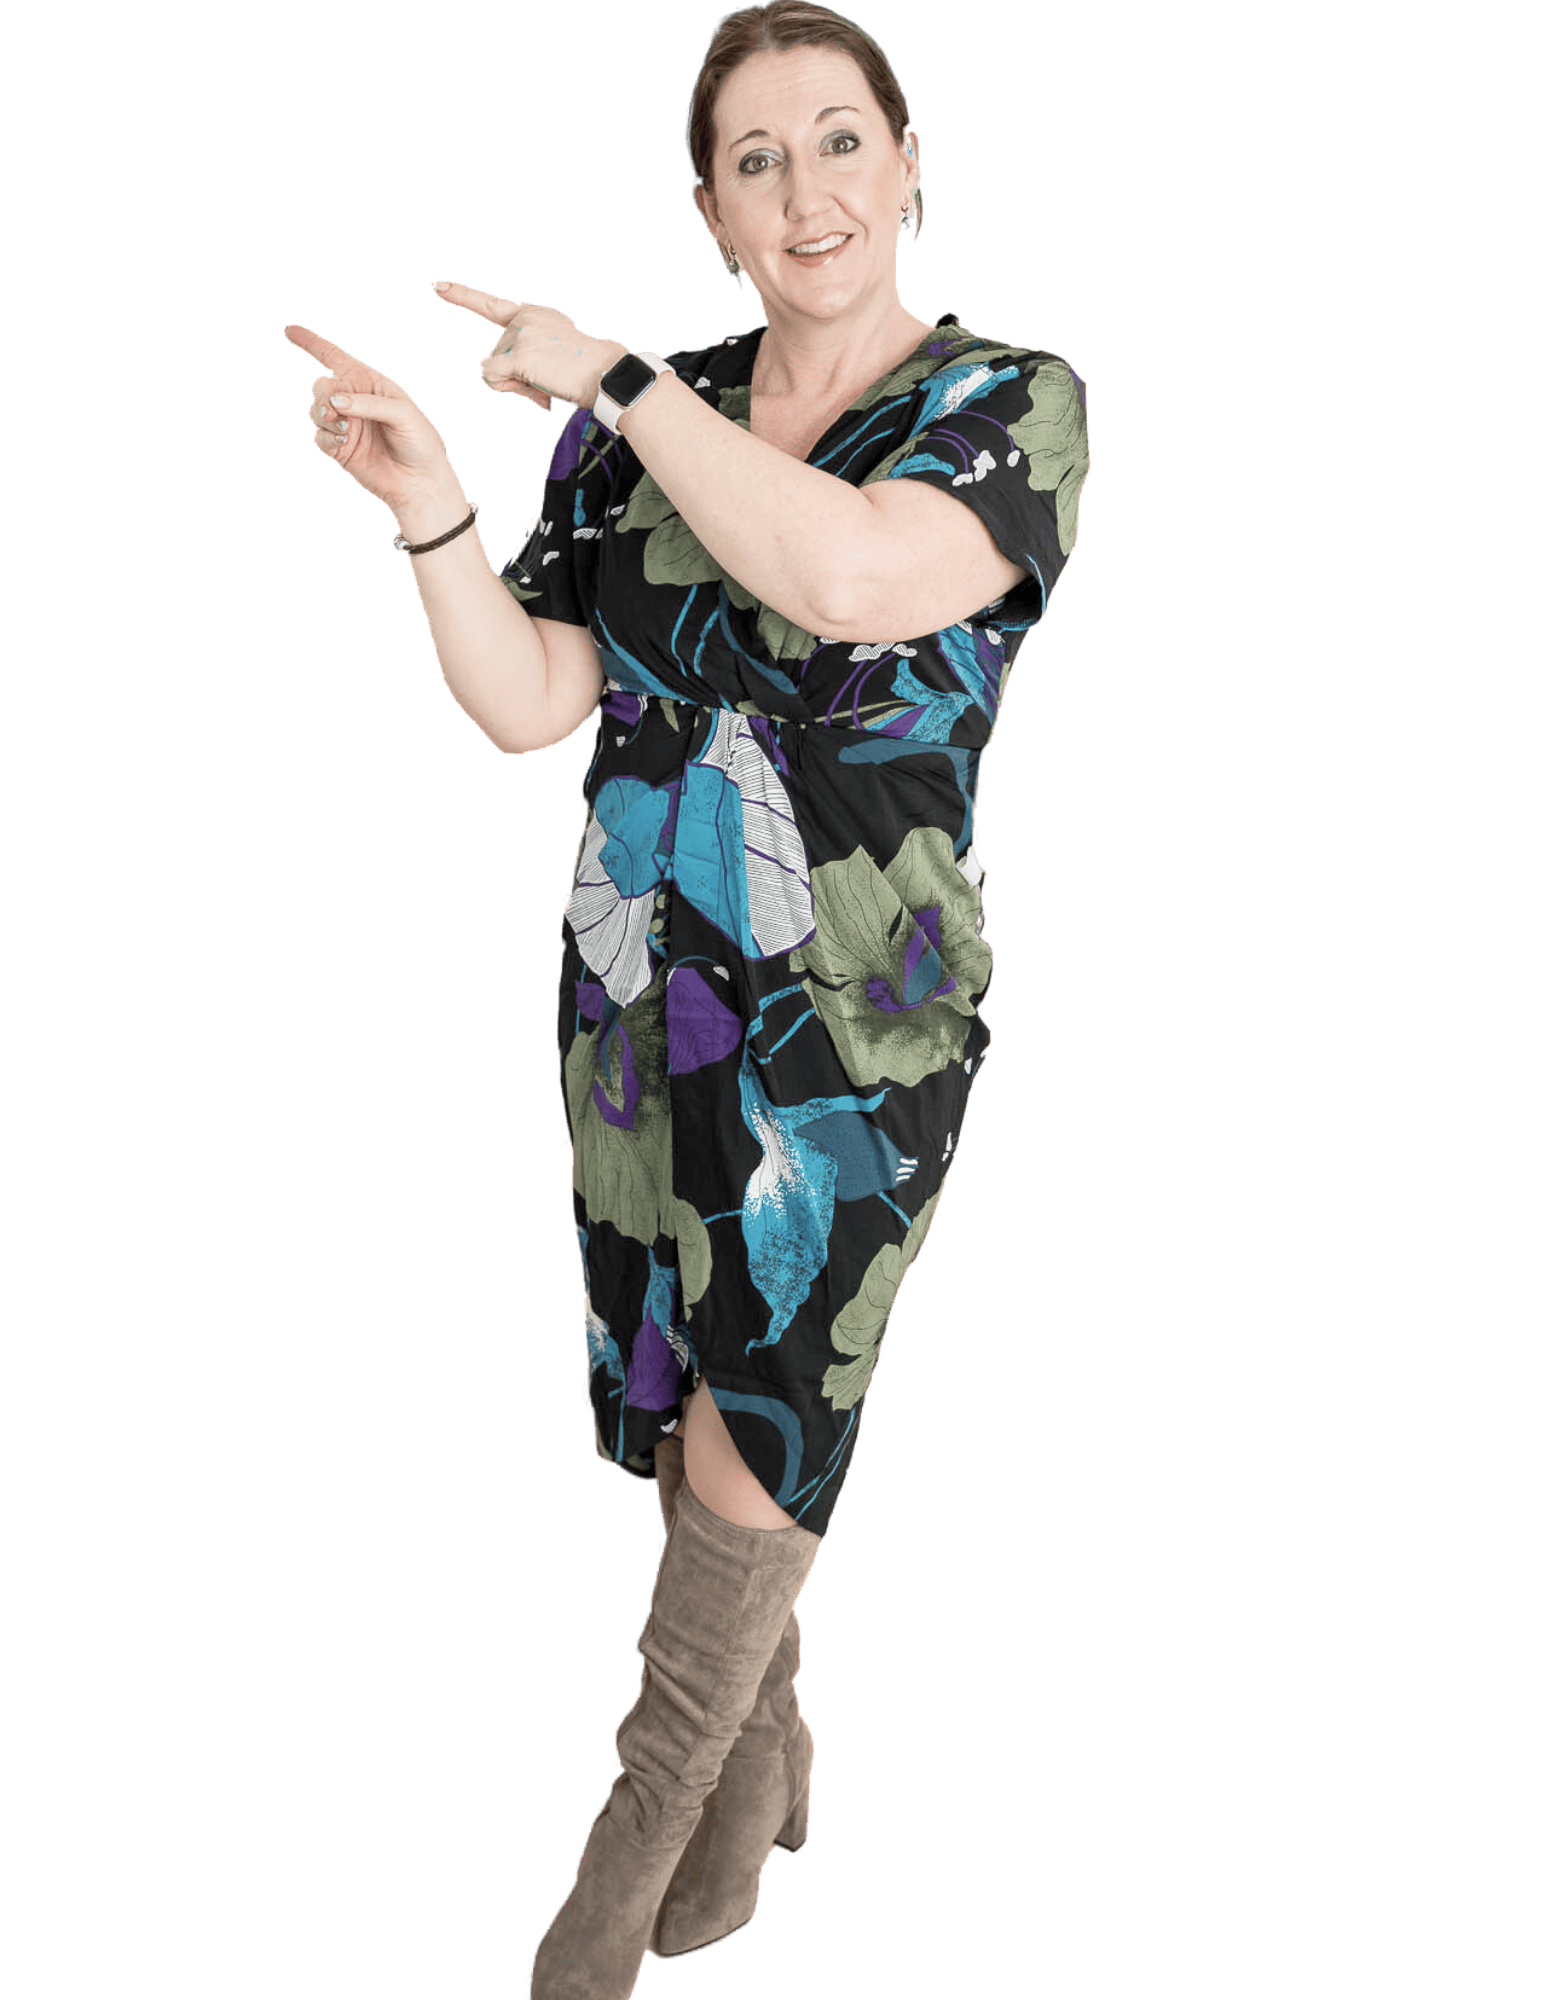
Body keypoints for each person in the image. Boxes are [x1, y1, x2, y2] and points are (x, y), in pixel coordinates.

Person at [284, 5, 1090, 1991]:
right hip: (636, 985)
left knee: (768, 1395)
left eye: (841, 139)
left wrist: (621, 381)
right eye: (755, 158)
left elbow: (849, 581)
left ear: (910, 172)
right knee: (679, 1391)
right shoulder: (640, 416)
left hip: (865, 1011)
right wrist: (429, 505)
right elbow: (535, 696)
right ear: (716, 216)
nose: (806, 188)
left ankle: (629, 1858)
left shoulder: (1006, 404)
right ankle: (762, 1764)